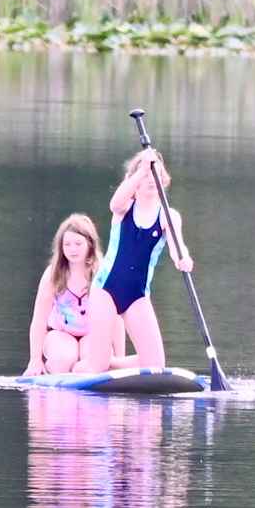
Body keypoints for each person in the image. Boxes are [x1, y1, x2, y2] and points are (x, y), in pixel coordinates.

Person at [73, 150, 194, 373]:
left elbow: (178, 250)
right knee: (96, 367)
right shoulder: (125, 208)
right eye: (145, 175)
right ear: (135, 181)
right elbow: (114, 203)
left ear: (163, 179)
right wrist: (141, 170)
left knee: (156, 366)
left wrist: (183, 259)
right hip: (106, 289)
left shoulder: (169, 216)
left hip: (137, 294)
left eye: (154, 174)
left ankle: (108, 365)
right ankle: (90, 368)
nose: (150, 179)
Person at [23, 213, 126, 376]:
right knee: (62, 359)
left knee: (93, 362)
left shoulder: (103, 273)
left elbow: (117, 319)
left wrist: (121, 362)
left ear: (90, 245)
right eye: (67, 244)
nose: (72, 249)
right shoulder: (52, 275)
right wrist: (35, 360)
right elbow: (39, 320)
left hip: (93, 333)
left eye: (78, 243)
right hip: (61, 334)